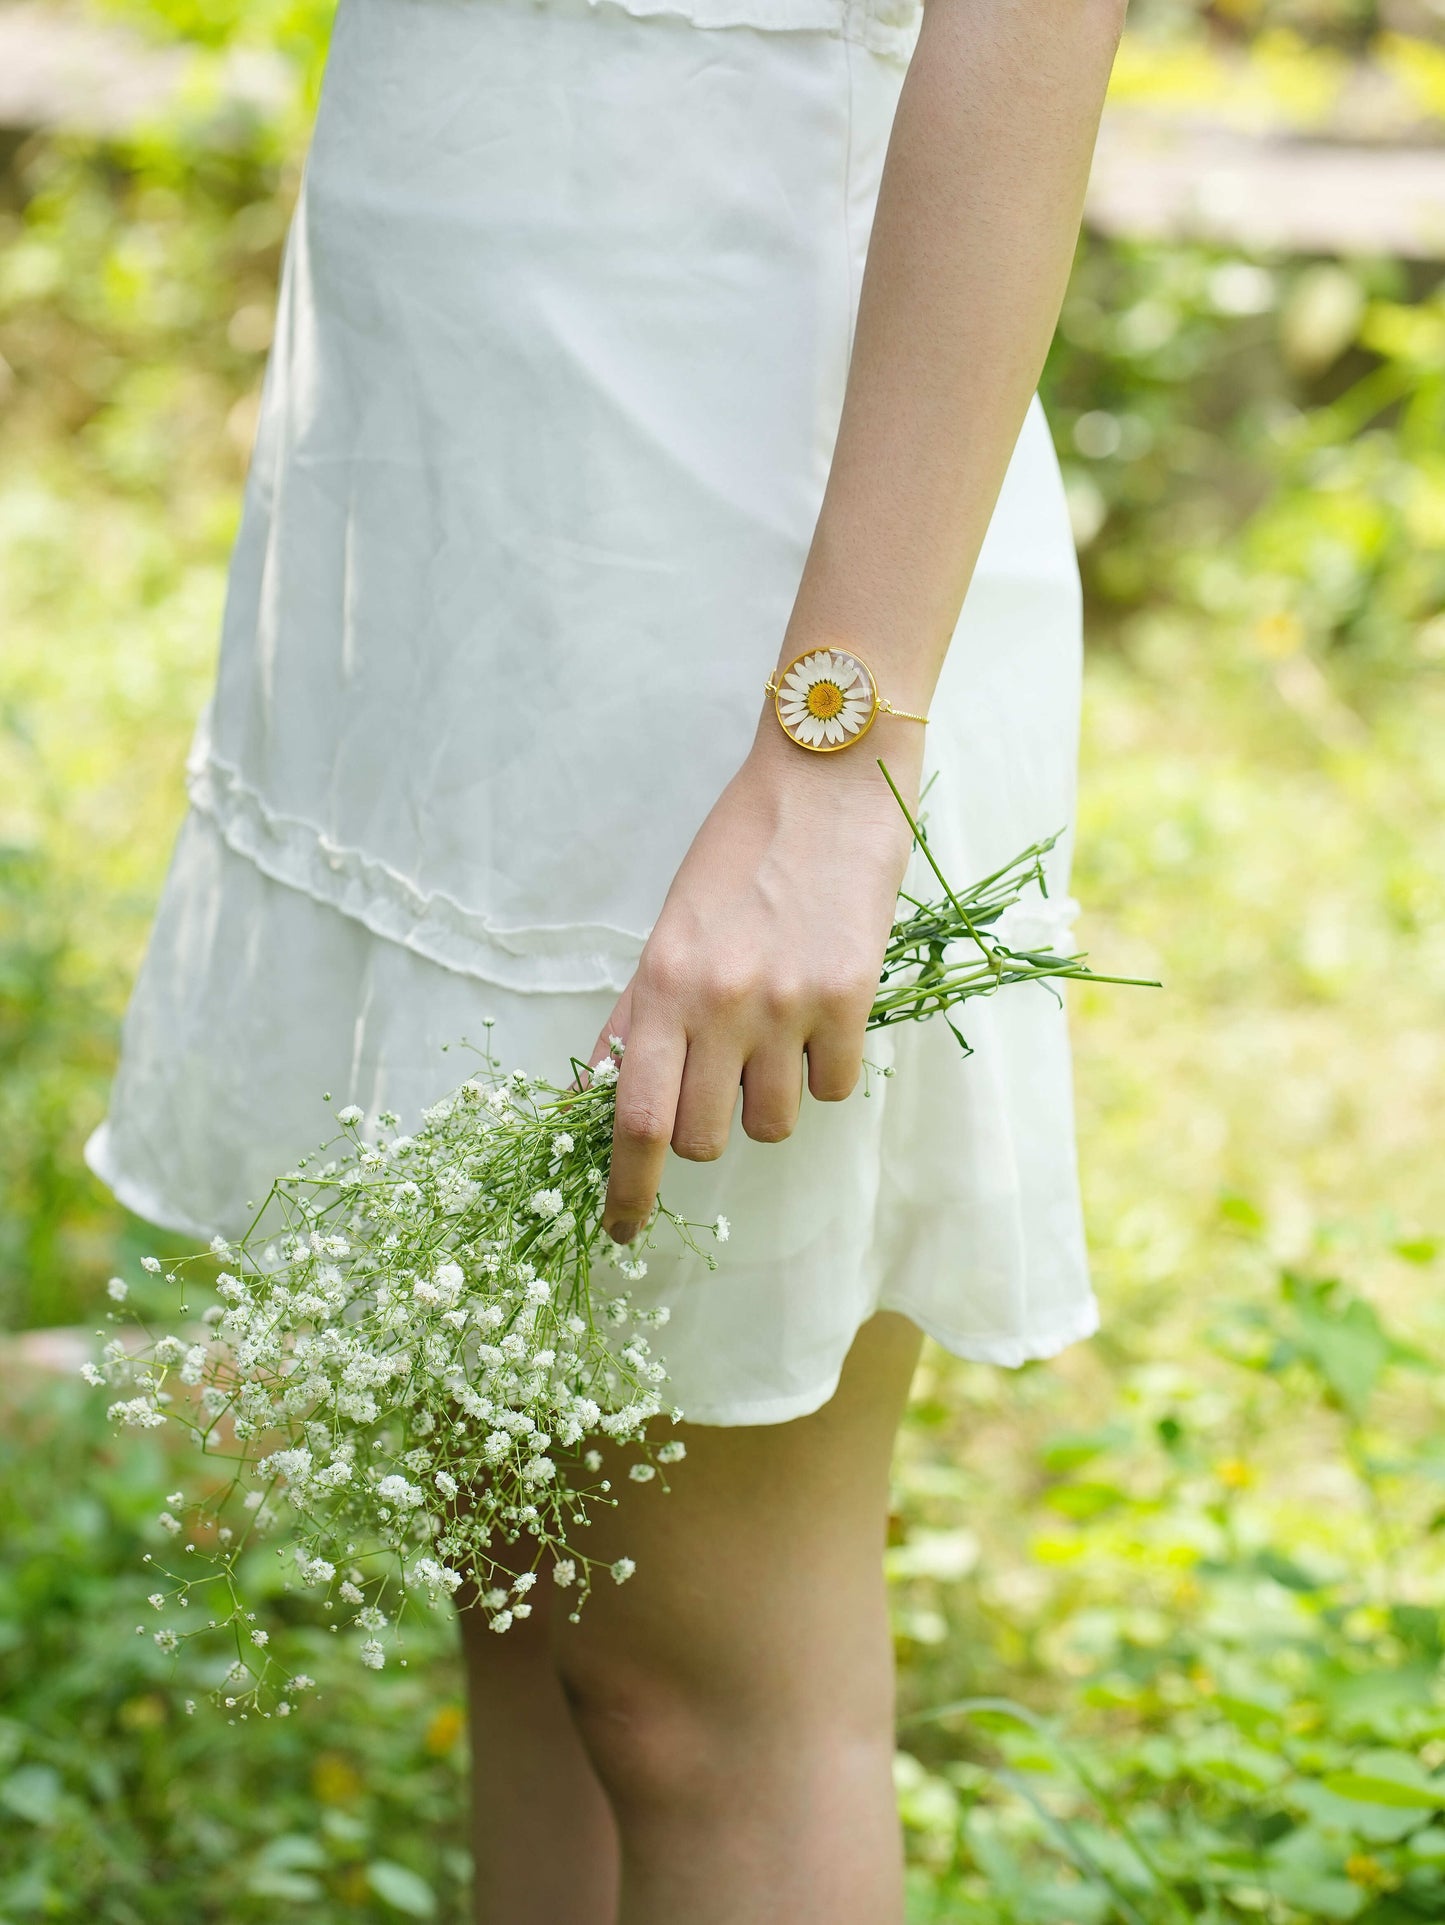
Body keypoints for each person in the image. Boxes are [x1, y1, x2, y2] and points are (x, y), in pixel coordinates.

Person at [87, 0, 1127, 1914]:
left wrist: (833, 761)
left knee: (699, 1689)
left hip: (732, 514)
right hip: (453, 481)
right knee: (532, 1588)